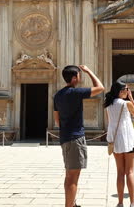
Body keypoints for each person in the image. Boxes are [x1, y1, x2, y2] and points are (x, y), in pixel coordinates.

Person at [54, 65, 104, 207]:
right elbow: (100, 87)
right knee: (73, 177)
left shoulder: (57, 95)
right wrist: (89, 71)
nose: (81, 78)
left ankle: (71, 203)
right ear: (74, 78)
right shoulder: (75, 93)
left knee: (69, 175)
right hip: (75, 138)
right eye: (80, 75)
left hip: (64, 138)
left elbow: (57, 120)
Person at [105, 81, 134, 207]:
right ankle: (133, 203)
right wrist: (131, 98)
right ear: (120, 91)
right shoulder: (127, 103)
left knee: (120, 172)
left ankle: (120, 202)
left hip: (115, 140)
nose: (128, 91)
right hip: (128, 138)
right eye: (126, 89)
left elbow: (109, 121)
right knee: (130, 172)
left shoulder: (108, 105)